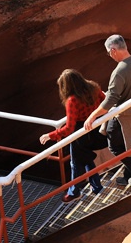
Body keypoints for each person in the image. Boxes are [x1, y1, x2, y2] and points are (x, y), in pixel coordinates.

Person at [84, 35, 131, 187]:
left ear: (113, 50)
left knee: (115, 147)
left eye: (108, 52)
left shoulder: (119, 71)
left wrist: (92, 116)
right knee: (129, 143)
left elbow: (111, 99)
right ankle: (129, 175)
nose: (110, 56)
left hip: (121, 115)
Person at [39, 69, 108, 202]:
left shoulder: (72, 100)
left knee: (75, 163)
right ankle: (97, 187)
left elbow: (69, 128)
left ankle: (75, 192)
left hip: (80, 132)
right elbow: (105, 102)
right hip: (93, 126)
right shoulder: (93, 87)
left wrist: (51, 135)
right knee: (86, 158)